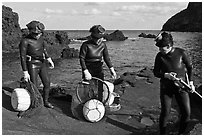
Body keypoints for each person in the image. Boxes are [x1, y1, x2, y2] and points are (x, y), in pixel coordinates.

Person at [153, 32, 195, 135]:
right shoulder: (159, 56)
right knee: (165, 112)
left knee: (186, 113)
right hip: (166, 88)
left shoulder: (181, 53)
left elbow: (189, 67)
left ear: (168, 46)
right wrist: (166, 75)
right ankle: (162, 134)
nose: (160, 50)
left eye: (161, 48)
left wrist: (191, 82)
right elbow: (156, 72)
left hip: (181, 87)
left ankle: (181, 133)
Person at [19, 20, 55, 109]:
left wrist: (49, 58)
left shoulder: (41, 38)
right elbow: (22, 57)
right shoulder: (25, 41)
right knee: (34, 86)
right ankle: (35, 102)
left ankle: (45, 101)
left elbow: (44, 49)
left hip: (42, 63)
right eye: (35, 34)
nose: (37, 35)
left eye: (39, 33)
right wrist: (25, 71)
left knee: (47, 83)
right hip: (32, 64)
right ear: (30, 32)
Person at [79, 25, 117, 101]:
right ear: (93, 37)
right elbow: (81, 58)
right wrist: (85, 71)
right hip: (88, 68)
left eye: (101, 38)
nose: (100, 40)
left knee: (100, 88)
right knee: (87, 88)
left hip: (99, 69)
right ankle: (86, 103)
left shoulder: (103, 45)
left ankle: (99, 103)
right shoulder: (86, 45)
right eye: (98, 38)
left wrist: (111, 69)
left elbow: (107, 58)